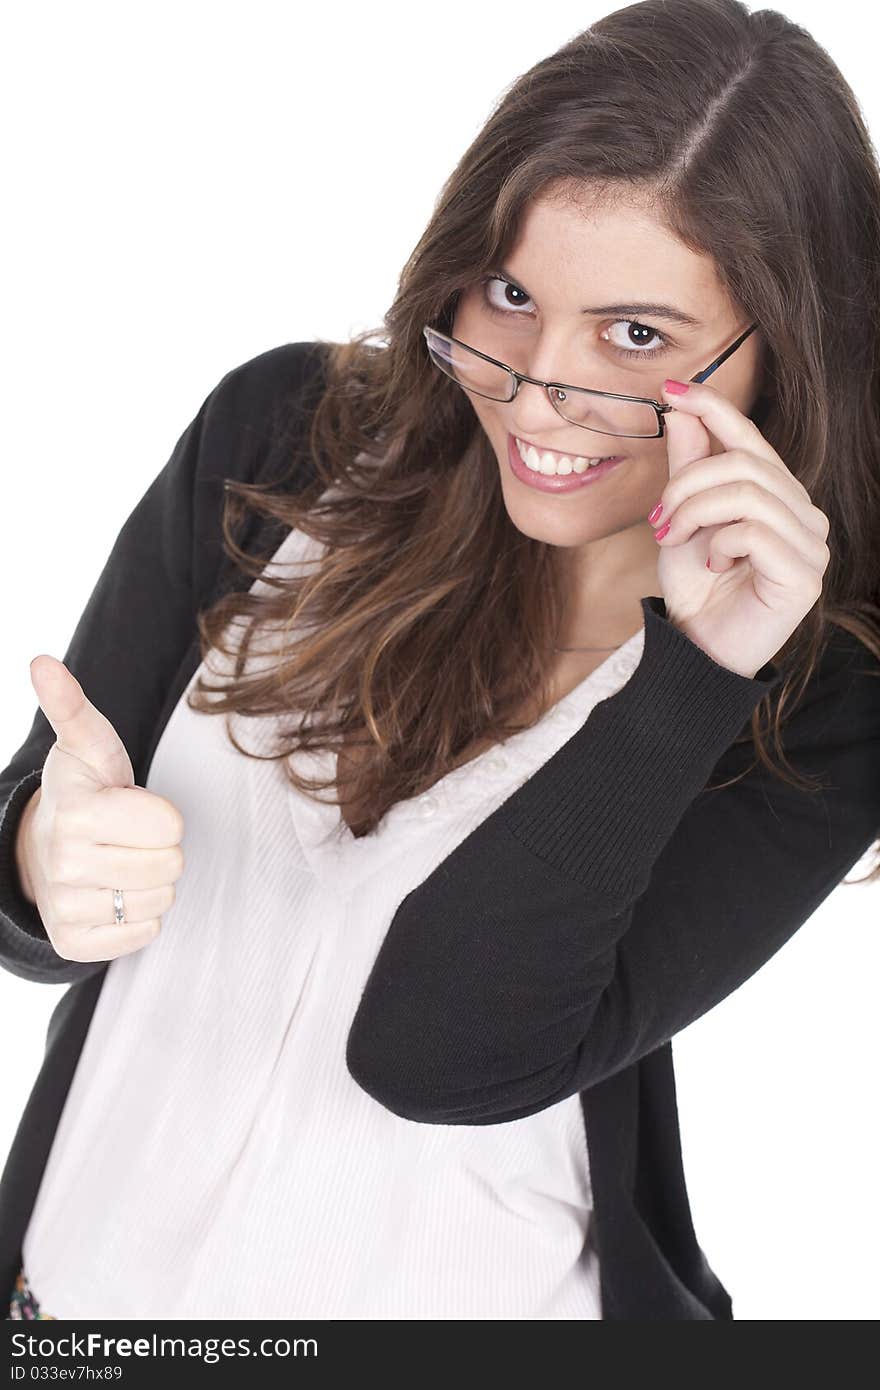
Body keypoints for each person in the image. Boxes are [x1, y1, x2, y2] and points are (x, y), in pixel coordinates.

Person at [2, 0, 880, 1321]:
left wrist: (694, 672)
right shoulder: (284, 436)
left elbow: (440, 1053)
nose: (536, 392)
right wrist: (37, 864)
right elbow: (34, 873)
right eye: (512, 296)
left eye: (634, 337)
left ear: (785, 347)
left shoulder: (822, 697)